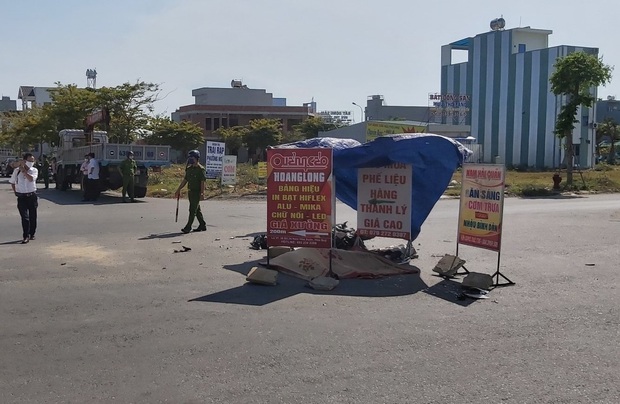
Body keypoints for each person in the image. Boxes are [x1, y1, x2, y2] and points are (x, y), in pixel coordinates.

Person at [9, 153, 39, 244]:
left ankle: (32, 233)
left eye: (33, 161)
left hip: (32, 196)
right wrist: (16, 192)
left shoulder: (34, 170)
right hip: (22, 197)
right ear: (24, 161)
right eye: (30, 160)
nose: (31, 162)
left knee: (32, 216)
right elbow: (12, 182)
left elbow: (31, 179)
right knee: (25, 217)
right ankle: (25, 236)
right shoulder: (17, 171)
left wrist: (24, 172)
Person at [174, 149, 207, 234]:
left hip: (197, 192)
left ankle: (188, 227)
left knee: (192, 210)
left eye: (192, 157)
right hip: (191, 192)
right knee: (196, 209)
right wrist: (178, 189)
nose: (190, 159)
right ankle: (202, 224)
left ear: (196, 158)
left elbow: (202, 182)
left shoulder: (200, 169)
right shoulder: (189, 169)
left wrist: (202, 193)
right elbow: (185, 180)